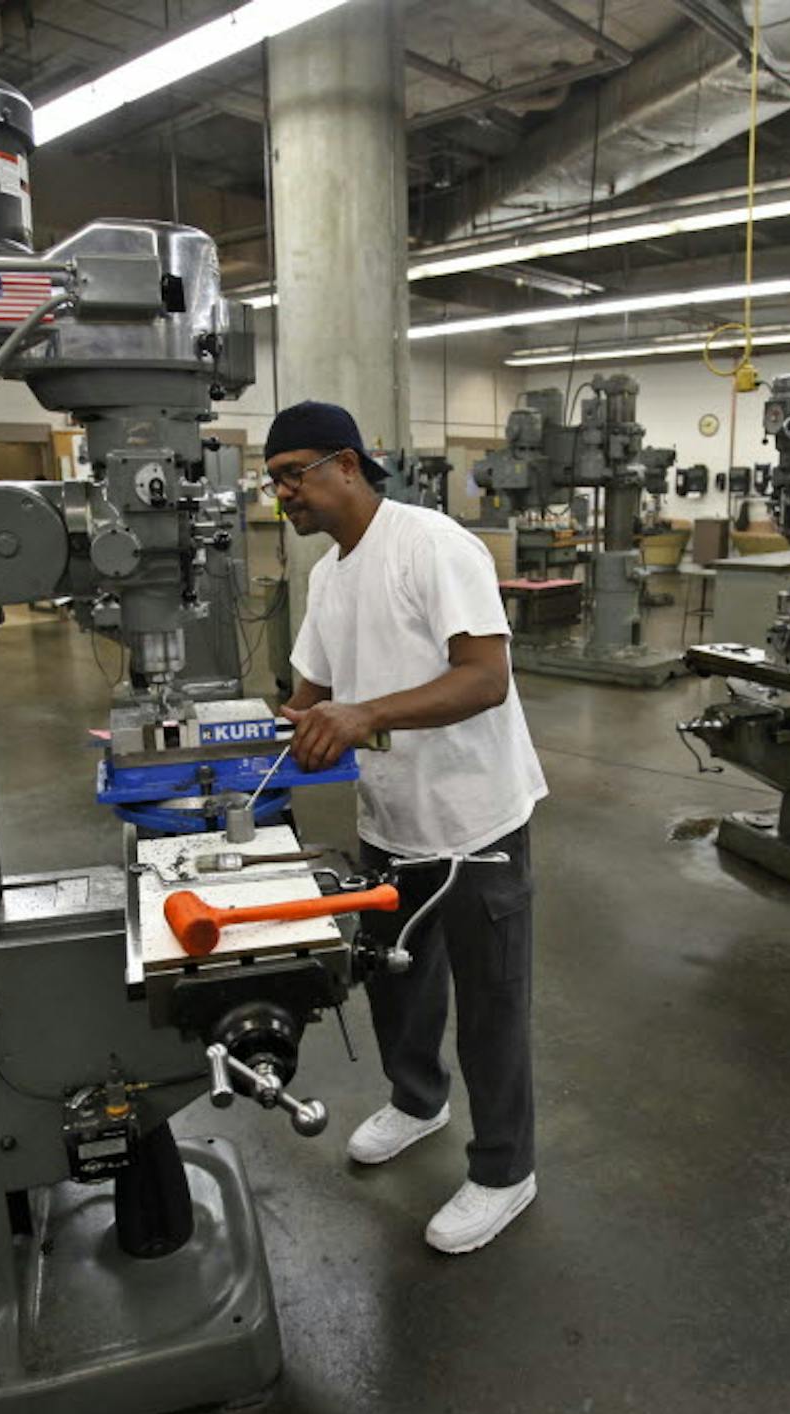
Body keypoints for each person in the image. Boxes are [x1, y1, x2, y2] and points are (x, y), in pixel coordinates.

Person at [265, 399, 549, 1256]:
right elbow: (312, 689)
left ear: (347, 464)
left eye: (293, 475)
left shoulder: (433, 545)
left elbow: (485, 677)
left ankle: (506, 1170)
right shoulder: (327, 576)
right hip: (390, 819)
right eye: (272, 481)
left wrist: (361, 717)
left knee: (491, 1006)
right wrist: (250, 735)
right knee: (396, 980)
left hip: (474, 823)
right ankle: (418, 1100)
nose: (283, 495)